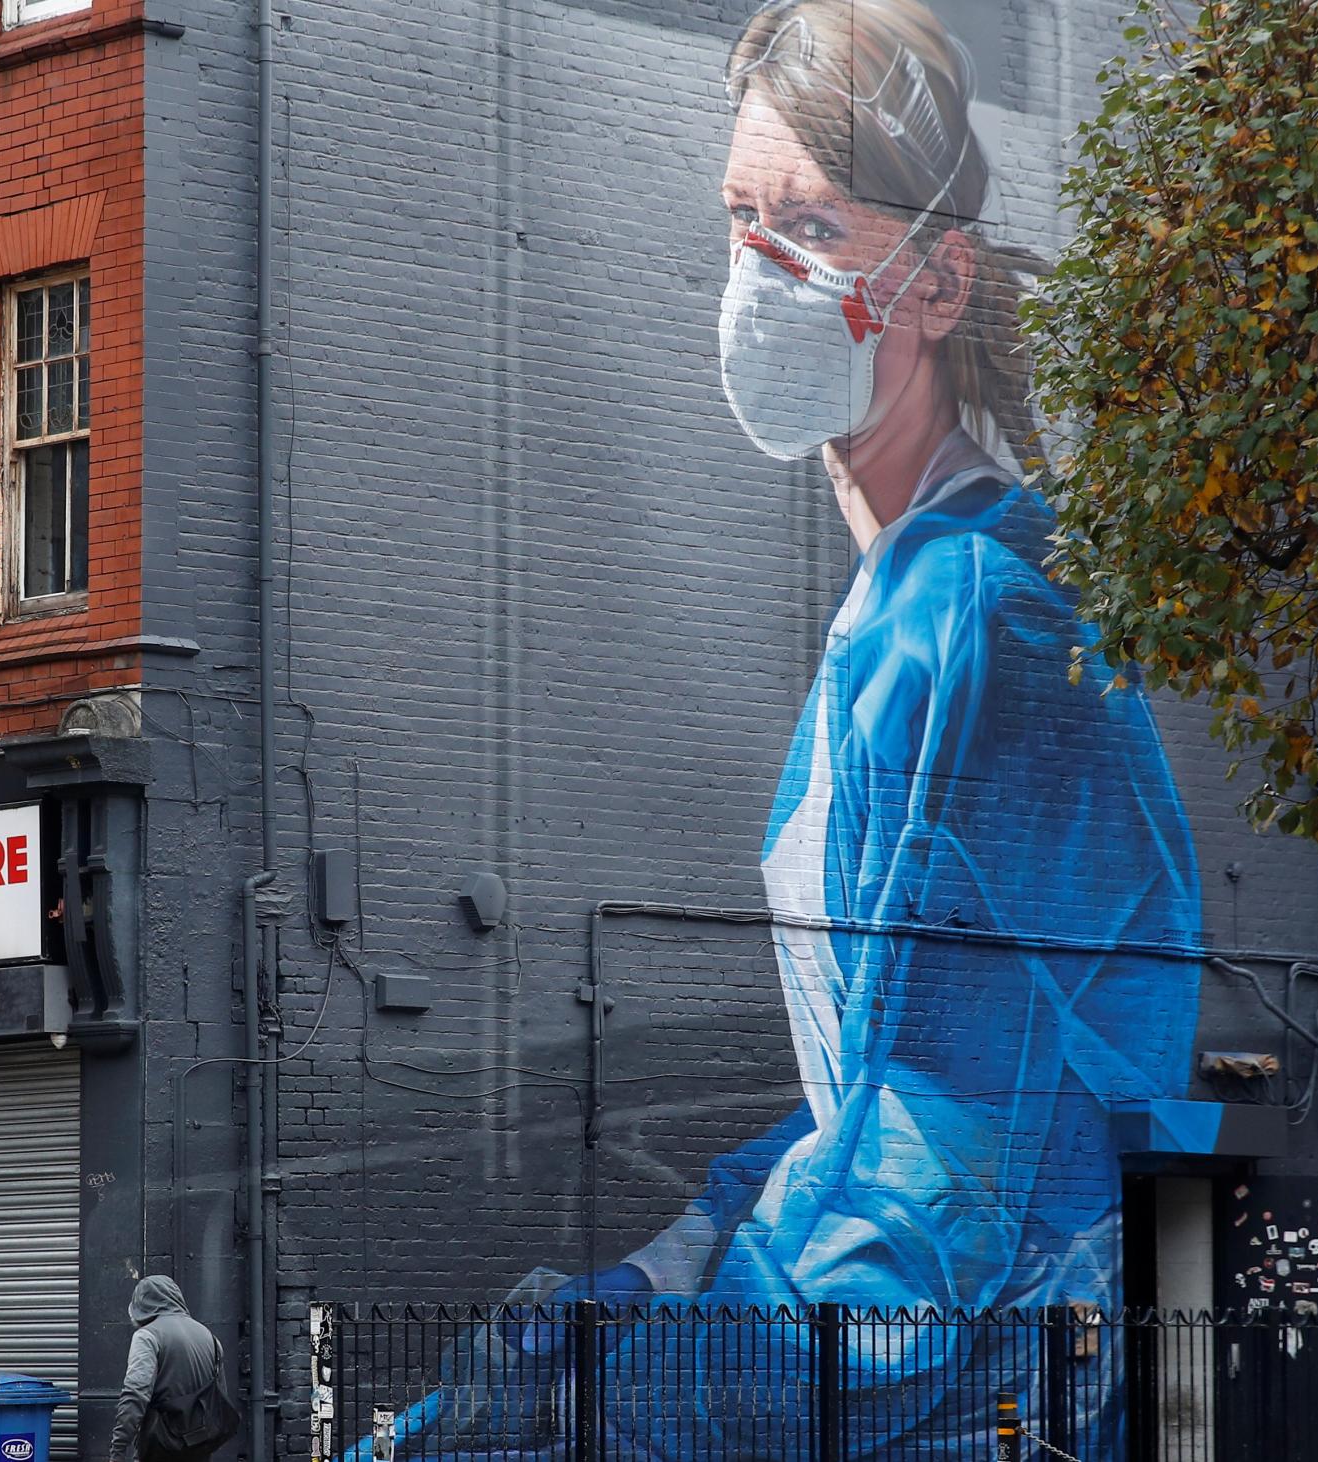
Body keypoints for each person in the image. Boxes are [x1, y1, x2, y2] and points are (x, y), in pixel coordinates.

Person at [379, 2, 1202, 1457]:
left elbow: (953, 1168)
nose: (758, 274)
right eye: (741, 220)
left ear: (938, 282)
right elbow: (871, 1098)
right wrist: (674, 1256)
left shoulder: (975, 626)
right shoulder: (908, 599)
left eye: (814, 227)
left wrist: (604, 1393)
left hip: (982, 1396)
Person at [110, 1276, 237, 1462]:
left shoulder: (147, 1336)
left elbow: (135, 1394)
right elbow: (220, 1398)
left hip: (160, 1447)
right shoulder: (211, 1338)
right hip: (200, 1446)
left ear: (141, 1305)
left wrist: (118, 1450)